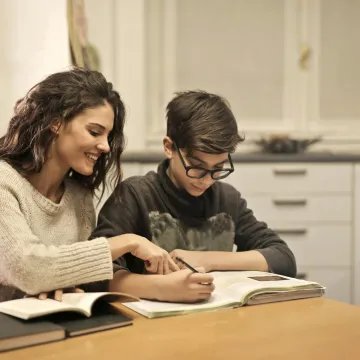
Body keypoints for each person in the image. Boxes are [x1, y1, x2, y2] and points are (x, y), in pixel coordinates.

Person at [91, 90, 297, 303]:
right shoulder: (135, 196)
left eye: (218, 168)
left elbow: (282, 257)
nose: (207, 180)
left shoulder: (227, 199)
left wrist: (206, 259)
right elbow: (94, 272)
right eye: (197, 167)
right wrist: (160, 288)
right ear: (169, 147)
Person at [0, 67, 182, 303]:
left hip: (51, 327)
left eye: (107, 136)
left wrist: (59, 286)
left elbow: (77, 278)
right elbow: (28, 269)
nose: (105, 146)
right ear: (56, 123)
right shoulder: (4, 182)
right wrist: (129, 241)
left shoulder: (79, 198)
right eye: (94, 132)